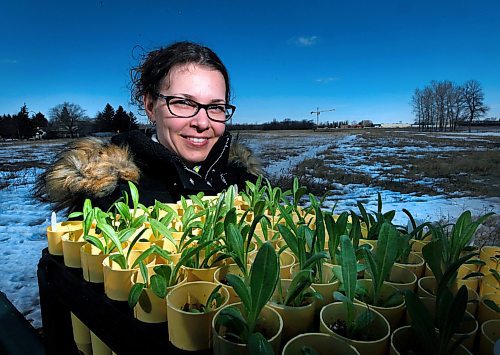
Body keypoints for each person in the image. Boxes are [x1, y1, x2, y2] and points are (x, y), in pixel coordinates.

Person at [35, 41, 262, 213]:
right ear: (151, 106)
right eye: (183, 102)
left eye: (215, 107)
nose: (202, 123)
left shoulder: (248, 183)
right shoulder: (108, 195)